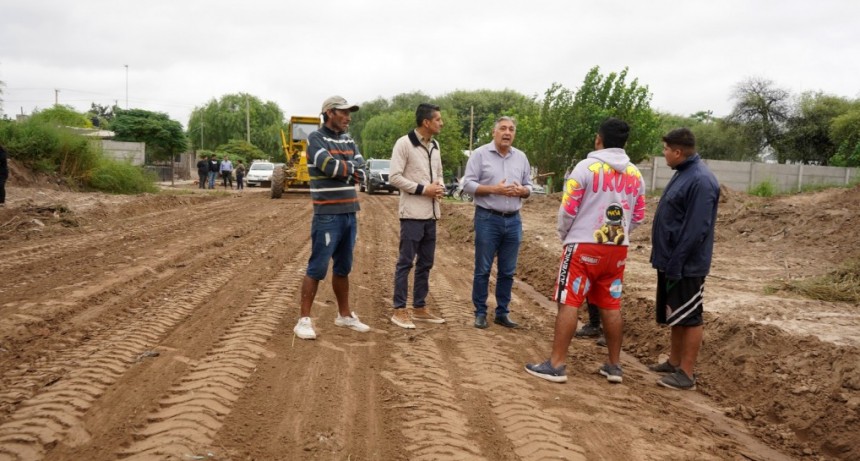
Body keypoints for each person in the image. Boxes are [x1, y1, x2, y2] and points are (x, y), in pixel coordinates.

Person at [525, 118, 646, 384]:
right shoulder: (635, 174)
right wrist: (623, 234)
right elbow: (638, 215)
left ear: (598, 139)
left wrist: (566, 236)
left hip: (582, 245)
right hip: (617, 250)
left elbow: (568, 209)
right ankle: (614, 366)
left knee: (569, 301)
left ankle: (556, 364)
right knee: (611, 304)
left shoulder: (584, 168)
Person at [293, 95, 370, 340]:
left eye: (350, 113)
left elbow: (362, 169)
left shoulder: (348, 139)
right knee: (317, 267)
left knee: (343, 268)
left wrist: (345, 171)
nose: (348, 118)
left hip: (349, 212)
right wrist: (348, 171)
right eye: (344, 113)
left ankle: (344, 315)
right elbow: (329, 167)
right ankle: (303, 320)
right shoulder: (315, 138)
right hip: (327, 214)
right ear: (329, 113)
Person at [649, 128, 720, 390]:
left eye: (666, 149)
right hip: (672, 261)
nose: (664, 154)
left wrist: (677, 262)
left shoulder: (700, 180)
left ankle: (686, 374)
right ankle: (674, 362)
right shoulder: (684, 174)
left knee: (690, 315)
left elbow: (696, 230)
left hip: (687, 264)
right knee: (676, 313)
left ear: (678, 152)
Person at [461, 116, 532, 329]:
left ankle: (502, 312)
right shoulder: (480, 154)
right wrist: (494, 189)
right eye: (503, 128)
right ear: (494, 132)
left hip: (513, 221)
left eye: (511, 129)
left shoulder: (521, 157)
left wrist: (523, 191)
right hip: (487, 218)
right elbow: (467, 184)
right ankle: (480, 312)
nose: (507, 132)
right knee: (483, 268)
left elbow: (530, 186)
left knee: (508, 271)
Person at [388, 103, 446, 329]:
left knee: (426, 264)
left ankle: (419, 307)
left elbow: (438, 174)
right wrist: (424, 189)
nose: (441, 123)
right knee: (405, 263)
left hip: (431, 214)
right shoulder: (404, 144)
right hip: (412, 214)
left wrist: (439, 186)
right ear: (426, 122)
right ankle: (399, 309)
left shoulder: (435, 145)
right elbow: (394, 177)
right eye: (438, 119)